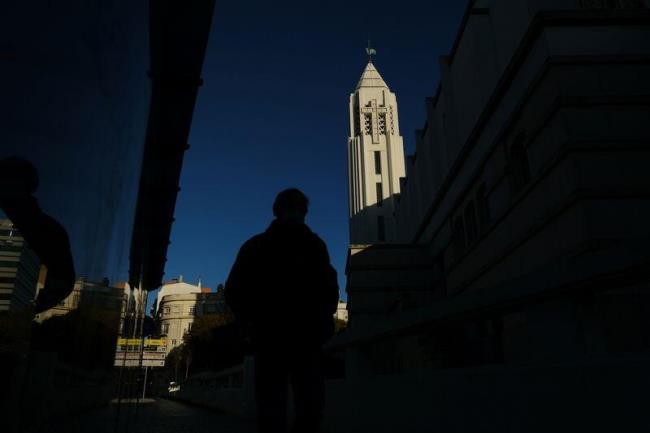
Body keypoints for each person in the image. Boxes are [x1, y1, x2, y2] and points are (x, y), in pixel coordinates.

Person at [225, 188, 339, 433]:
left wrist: (250, 324)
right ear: (305, 213)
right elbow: (330, 291)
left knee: (271, 410)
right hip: (306, 340)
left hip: (268, 339)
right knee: (309, 409)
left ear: (276, 211)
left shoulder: (255, 246)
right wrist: (322, 326)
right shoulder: (316, 246)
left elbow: (234, 291)